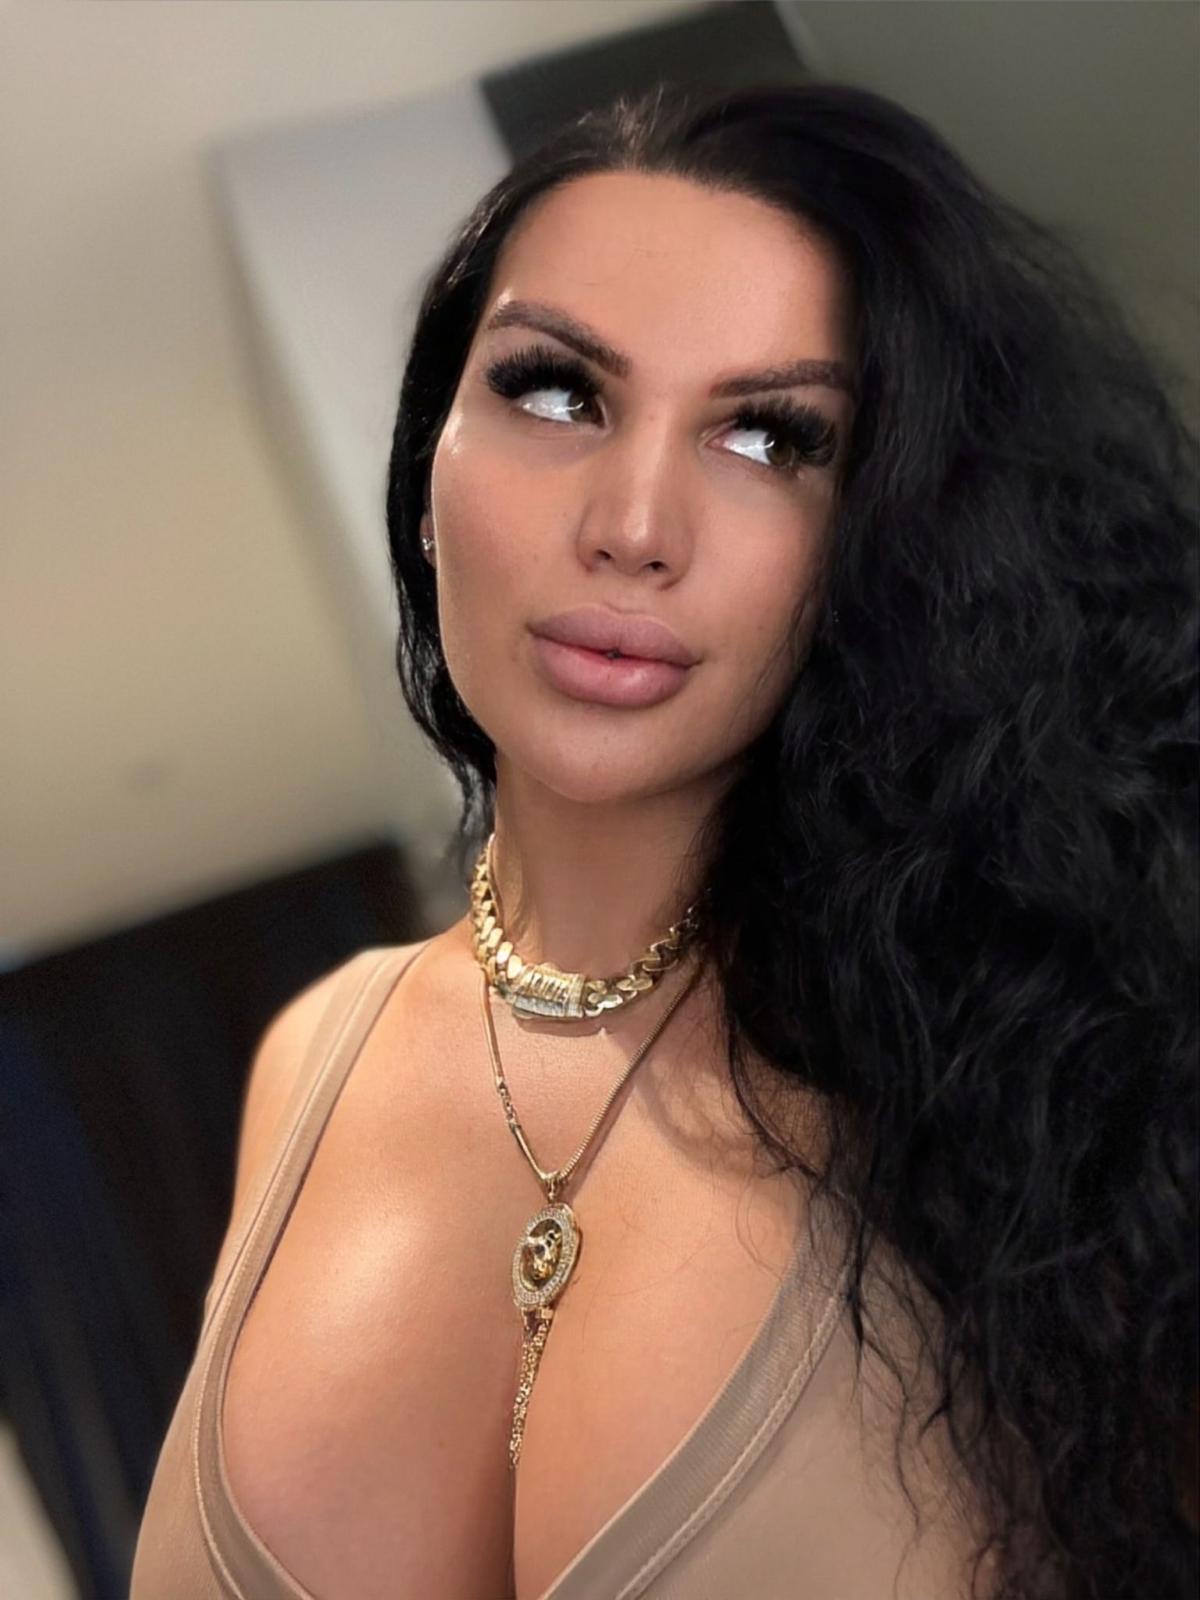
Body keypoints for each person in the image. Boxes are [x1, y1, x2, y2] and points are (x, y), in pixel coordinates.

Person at [130, 80, 1198, 1600]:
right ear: (428, 466)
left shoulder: (1036, 1062)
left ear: (884, 540)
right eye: (557, 393)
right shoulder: (310, 1061)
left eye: (770, 436)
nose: (635, 525)